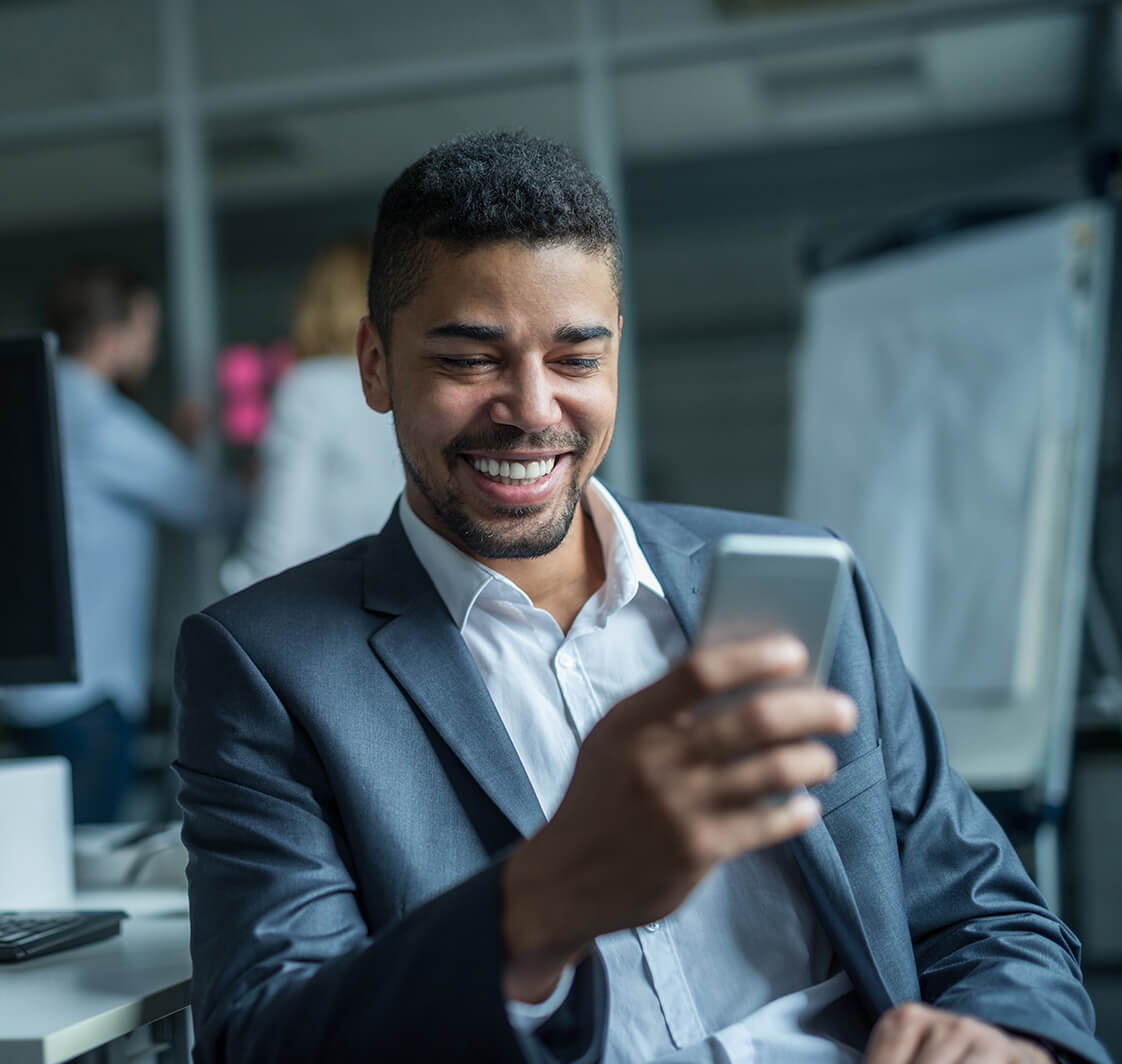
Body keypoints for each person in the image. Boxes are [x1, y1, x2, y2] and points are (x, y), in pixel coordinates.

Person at [173, 132, 1109, 1063]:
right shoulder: (265, 666)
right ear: (376, 365)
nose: (533, 409)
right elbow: (265, 1038)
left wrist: (1007, 1037)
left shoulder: (805, 577)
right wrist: (542, 904)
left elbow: (984, 914)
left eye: (577, 358)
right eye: (469, 360)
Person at [0, 263, 243, 823]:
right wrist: (260, 475)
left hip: (27, 692)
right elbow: (210, 505)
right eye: (146, 332)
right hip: (88, 699)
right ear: (110, 338)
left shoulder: (35, 407)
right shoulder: (103, 424)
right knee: (85, 877)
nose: (153, 347)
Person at [220, 236, 404, 592]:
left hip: (326, 612)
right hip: (408, 605)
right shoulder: (410, 382)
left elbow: (276, 547)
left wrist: (235, 582)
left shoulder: (308, 389)